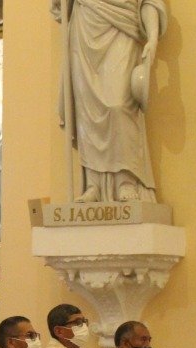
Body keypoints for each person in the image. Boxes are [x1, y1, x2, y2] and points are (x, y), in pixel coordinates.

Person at [53, 0, 168, 202]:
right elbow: (59, 7)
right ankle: (93, 184)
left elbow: (149, 2)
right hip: (85, 23)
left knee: (119, 104)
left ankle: (126, 180)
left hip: (123, 25)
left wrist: (152, 37)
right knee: (87, 112)